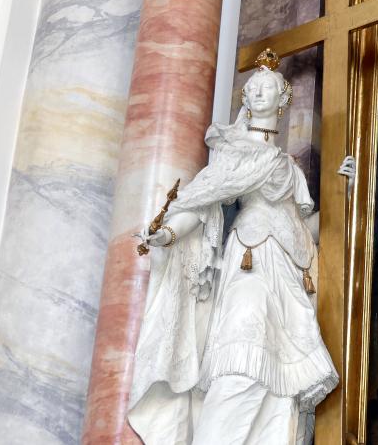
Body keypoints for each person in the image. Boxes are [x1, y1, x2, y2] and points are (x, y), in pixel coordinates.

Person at [128, 50, 339, 444]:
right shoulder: (235, 154)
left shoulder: (289, 167)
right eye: (252, 87)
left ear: (283, 99)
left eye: (267, 87)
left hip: (290, 270)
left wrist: (347, 192)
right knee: (241, 358)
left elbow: (307, 227)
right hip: (249, 261)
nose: (257, 92)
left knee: (279, 384)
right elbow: (200, 201)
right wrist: (168, 233)